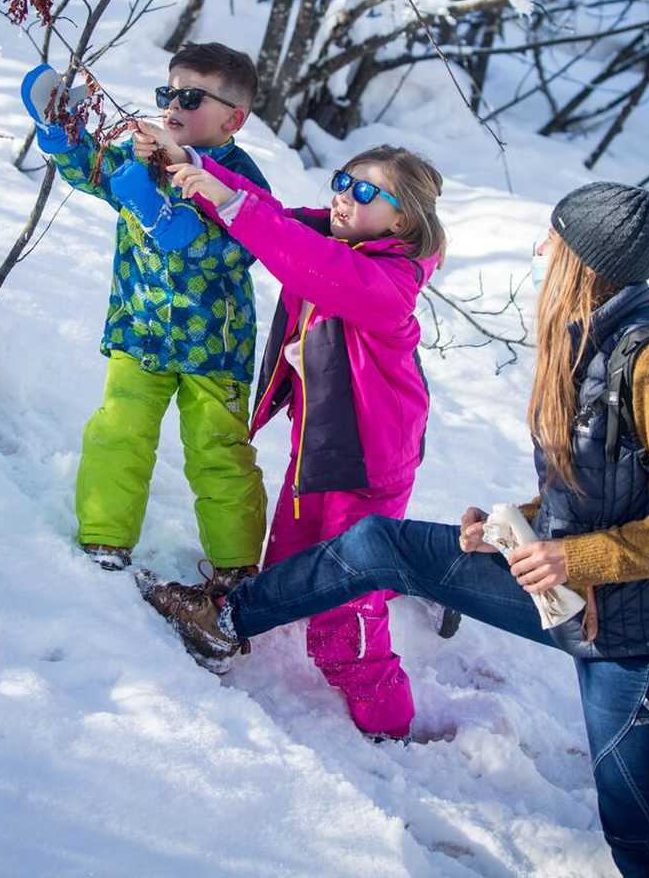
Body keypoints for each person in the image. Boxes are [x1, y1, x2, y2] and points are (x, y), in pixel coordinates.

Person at [137, 181, 649, 877]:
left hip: (631, 633)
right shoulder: (586, 340)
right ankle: (224, 619)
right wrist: (513, 525)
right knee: (380, 544)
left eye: (552, 241)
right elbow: (603, 482)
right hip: (564, 590)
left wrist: (574, 555)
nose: (539, 250)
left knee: (639, 839)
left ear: (586, 261)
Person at [139, 143, 446, 740]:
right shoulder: (341, 242)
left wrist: (223, 199)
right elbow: (273, 215)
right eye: (341, 180)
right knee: (288, 567)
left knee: (343, 618)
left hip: (366, 466)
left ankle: (391, 727)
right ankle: (417, 574)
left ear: (403, 220)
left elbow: (297, 255)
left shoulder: (386, 281)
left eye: (364, 191)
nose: (342, 195)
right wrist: (192, 161)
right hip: (322, 449)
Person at [20, 41, 269, 590]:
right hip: (140, 331)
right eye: (167, 92)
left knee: (219, 453)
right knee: (119, 431)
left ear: (235, 117)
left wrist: (172, 226)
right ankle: (105, 538)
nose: (172, 105)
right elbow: (95, 174)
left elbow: (242, 247)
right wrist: (61, 131)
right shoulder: (145, 155)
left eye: (190, 96)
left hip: (214, 346)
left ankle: (236, 567)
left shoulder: (241, 179)